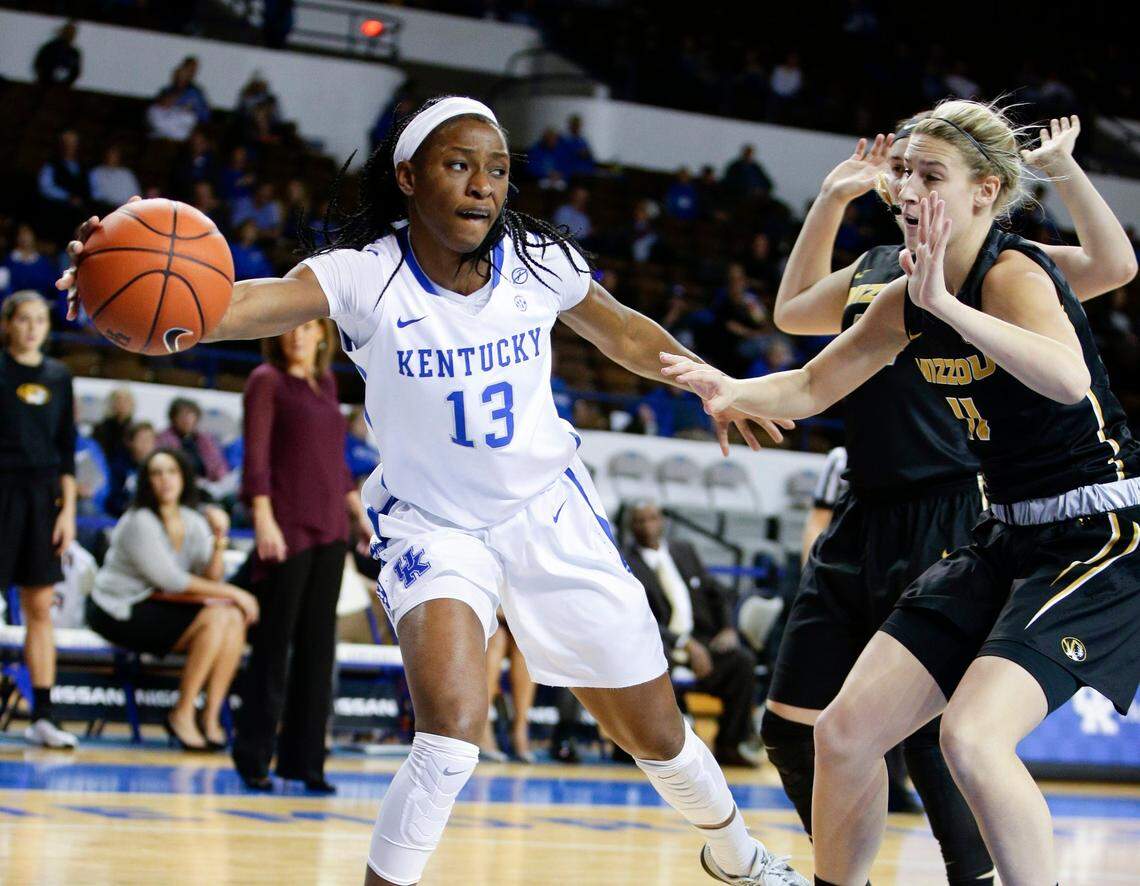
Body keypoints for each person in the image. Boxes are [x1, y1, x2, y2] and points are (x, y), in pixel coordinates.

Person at [59, 95, 804, 886]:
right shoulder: (365, 274)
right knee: (450, 734)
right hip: (433, 526)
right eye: (459, 165)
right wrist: (132, 284)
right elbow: (247, 302)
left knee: (657, 735)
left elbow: (620, 330)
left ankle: (738, 857)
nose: (483, 185)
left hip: (548, 513)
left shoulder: (538, 260)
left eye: (497, 169)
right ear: (409, 176)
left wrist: (711, 382)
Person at [662, 99, 1140, 886]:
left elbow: (1066, 378)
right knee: (845, 734)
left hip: (1098, 536)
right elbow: (814, 383)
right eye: (905, 173)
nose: (910, 189)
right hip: (1003, 534)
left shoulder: (1011, 271)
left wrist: (948, 307)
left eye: (933, 175)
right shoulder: (904, 293)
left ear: (985, 191)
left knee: (971, 740)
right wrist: (728, 388)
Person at [232, 319, 373, 793]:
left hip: (331, 527)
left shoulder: (326, 382)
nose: (298, 334)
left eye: (308, 325)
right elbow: (256, 457)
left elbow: (334, 461)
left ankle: (306, 762)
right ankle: (254, 757)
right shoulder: (265, 381)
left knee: (319, 649)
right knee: (273, 647)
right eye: (290, 326)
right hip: (286, 527)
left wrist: (357, 511)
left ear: (321, 335)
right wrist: (263, 518)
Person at [87, 448, 257, 751]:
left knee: (231, 618)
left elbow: (211, 577)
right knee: (220, 615)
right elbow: (172, 581)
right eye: (156, 473)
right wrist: (237, 593)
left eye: (172, 471)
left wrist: (219, 538)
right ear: (146, 482)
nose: (165, 480)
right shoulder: (138, 521)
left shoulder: (191, 520)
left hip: (160, 603)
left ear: (184, 477)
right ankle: (182, 711)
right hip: (118, 608)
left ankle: (210, 716)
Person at [625, 502, 761, 768]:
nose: (648, 525)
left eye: (652, 518)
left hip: (701, 640)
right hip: (660, 645)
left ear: (662, 520)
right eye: (640, 521)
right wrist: (683, 643)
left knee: (741, 662)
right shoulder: (625, 560)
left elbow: (717, 593)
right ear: (631, 526)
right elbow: (638, 615)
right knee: (657, 661)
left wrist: (727, 629)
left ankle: (730, 746)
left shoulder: (683, 551)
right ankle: (654, 749)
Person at [0, 291, 78, 748]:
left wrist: (66, 510)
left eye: (39, 320)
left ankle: (43, 716)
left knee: (39, 609)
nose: (31, 327)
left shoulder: (59, 376)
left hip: (43, 498)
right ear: (8, 324)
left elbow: (67, 449)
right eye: (23, 319)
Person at [478, 613, 536, 763]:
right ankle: (483, 724)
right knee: (497, 638)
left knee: (524, 644)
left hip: (515, 619)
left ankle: (520, 726)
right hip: (487, 617)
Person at [156, 397, 230, 484]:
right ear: (174, 418)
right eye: (182, 415)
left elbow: (219, 465)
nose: (187, 419)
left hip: (208, 485)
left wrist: (219, 477)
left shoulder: (205, 440)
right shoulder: (164, 440)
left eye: (190, 415)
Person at [106, 420, 155, 517]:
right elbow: (113, 499)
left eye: (150, 440)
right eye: (142, 440)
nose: (146, 445)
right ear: (130, 442)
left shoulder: (159, 466)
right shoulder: (119, 468)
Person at [92, 386, 136, 466]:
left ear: (132, 404)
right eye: (118, 400)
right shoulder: (101, 429)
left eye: (126, 400)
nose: (122, 404)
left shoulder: (135, 429)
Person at [89, 145, 140, 212]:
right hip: (107, 211)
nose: (113, 157)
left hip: (129, 211)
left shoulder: (127, 173)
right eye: (111, 154)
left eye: (116, 154)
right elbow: (97, 196)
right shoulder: (96, 173)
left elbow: (136, 194)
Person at [33, 20, 81, 87]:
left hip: (63, 88)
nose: (70, 35)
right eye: (68, 32)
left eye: (72, 33)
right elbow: (38, 64)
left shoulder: (74, 53)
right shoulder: (49, 47)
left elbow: (75, 72)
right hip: (44, 85)